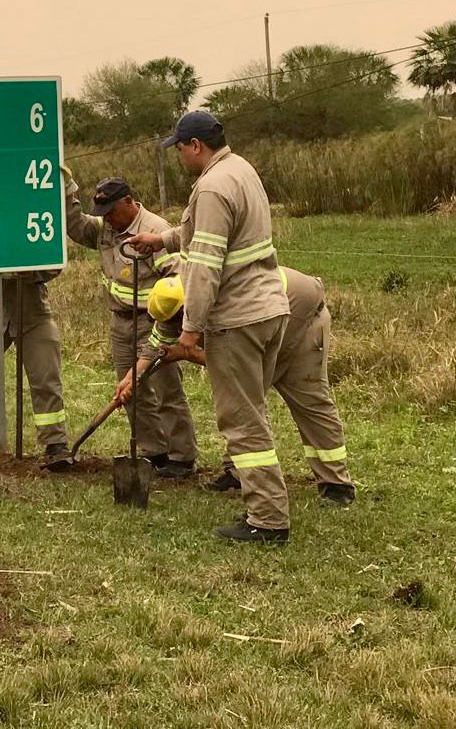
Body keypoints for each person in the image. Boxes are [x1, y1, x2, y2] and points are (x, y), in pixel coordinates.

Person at [131, 110, 291, 543]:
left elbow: (203, 264)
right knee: (253, 411)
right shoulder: (240, 171)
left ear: (195, 146)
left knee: (241, 420)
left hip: (238, 316)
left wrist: (192, 327)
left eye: (179, 148)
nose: (179, 155)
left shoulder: (212, 187)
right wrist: (160, 240)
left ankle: (268, 519)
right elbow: (203, 234)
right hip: (270, 307)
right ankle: (265, 505)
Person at [123, 269, 355, 505]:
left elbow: (238, 361)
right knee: (240, 403)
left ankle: (336, 483)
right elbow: (156, 345)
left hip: (302, 315)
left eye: (175, 321)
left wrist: (189, 354)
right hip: (269, 318)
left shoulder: (223, 305)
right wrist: (132, 376)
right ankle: (237, 470)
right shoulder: (179, 302)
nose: (172, 327)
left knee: (308, 399)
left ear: (187, 308)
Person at [62, 168, 197, 476]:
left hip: (153, 322)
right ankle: (155, 450)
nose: (106, 219)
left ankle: (182, 456)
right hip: (120, 322)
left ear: (128, 201)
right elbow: (76, 226)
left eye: (111, 211)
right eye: (103, 213)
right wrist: (68, 190)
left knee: (166, 390)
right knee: (130, 391)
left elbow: (177, 280)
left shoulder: (154, 230)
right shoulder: (106, 227)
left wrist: (168, 321)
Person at [0, 271, 73, 470]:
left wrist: (32, 272)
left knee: (46, 374)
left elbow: (54, 260)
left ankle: (55, 442)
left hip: (34, 308)